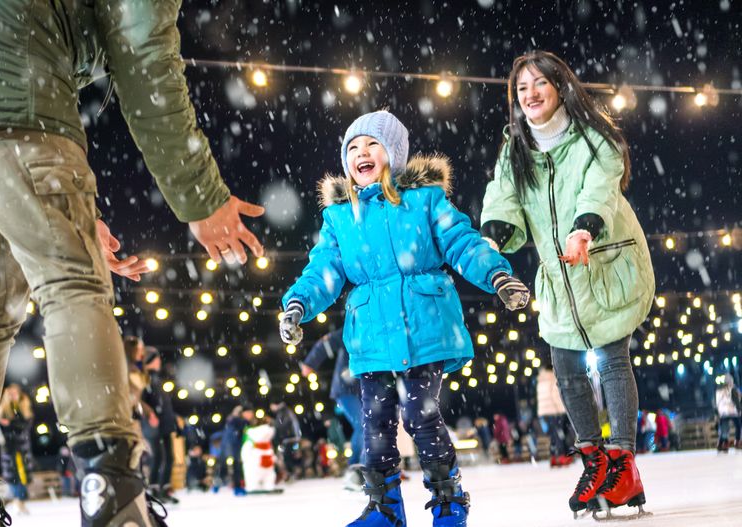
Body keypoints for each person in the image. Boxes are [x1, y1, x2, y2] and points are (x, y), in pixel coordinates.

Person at [0, 0, 265, 525]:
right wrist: (200, 195)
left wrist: (76, 215)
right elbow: (144, 53)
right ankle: (111, 486)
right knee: (72, 283)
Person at [279, 110, 530, 527]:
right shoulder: (340, 217)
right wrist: (298, 304)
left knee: (419, 417)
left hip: (424, 328)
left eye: (372, 145)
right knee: (374, 425)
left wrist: (498, 275)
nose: (361, 153)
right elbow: (322, 270)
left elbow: (462, 242)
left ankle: (450, 502)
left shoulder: (424, 200)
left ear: (393, 153)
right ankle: (385, 509)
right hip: (372, 338)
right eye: (353, 148)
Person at [481, 50, 655, 518]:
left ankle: (623, 462)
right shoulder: (515, 148)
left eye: (540, 84)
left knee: (614, 360)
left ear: (560, 87)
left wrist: (584, 228)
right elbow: (503, 195)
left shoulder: (592, 136)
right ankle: (595, 462)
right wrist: (492, 237)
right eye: (522, 88)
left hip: (602, 260)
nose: (531, 94)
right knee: (566, 366)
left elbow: (600, 184)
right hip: (558, 276)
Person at [301, 329, 364, 488]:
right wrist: (310, 363)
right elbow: (326, 342)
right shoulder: (354, 328)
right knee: (363, 425)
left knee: (375, 425)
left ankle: (375, 466)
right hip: (346, 388)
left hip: (366, 388)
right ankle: (355, 469)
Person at [141, 349, 179, 504]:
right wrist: (150, 415)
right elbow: (141, 401)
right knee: (157, 456)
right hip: (155, 424)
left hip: (164, 423)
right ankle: (154, 489)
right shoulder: (145, 378)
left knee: (169, 456)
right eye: (156, 359)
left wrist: (173, 421)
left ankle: (164, 488)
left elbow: (164, 403)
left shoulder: (156, 379)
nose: (159, 362)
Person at [0, 384, 35, 515]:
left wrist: (11, 424)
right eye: (10, 393)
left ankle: (20, 501)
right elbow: (0, 427)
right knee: (13, 477)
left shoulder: (24, 408)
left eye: (15, 393)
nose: (13, 396)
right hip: (8, 449)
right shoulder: (3, 410)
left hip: (22, 448)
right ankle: (18, 501)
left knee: (23, 477)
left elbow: (24, 425)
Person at [537, 363, 574, 467]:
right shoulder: (552, 378)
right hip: (554, 411)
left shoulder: (541, 380)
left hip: (544, 413)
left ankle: (553, 457)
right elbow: (555, 396)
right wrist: (562, 410)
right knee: (560, 434)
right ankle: (562, 456)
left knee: (553, 436)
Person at [268, 402, 302, 483]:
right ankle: (291, 473)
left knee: (287, 457)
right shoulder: (284, 412)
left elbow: (283, 425)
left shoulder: (284, 412)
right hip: (289, 438)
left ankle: (292, 474)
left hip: (290, 438)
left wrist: (273, 423)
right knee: (287, 456)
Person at [716, 376, 742, 451]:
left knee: (724, 429)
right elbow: (736, 400)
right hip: (733, 411)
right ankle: (737, 442)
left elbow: (717, 402)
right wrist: (739, 409)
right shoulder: (733, 389)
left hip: (723, 412)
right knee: (738, 426)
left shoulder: (719, 390)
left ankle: (723, 443)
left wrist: (717, 412)